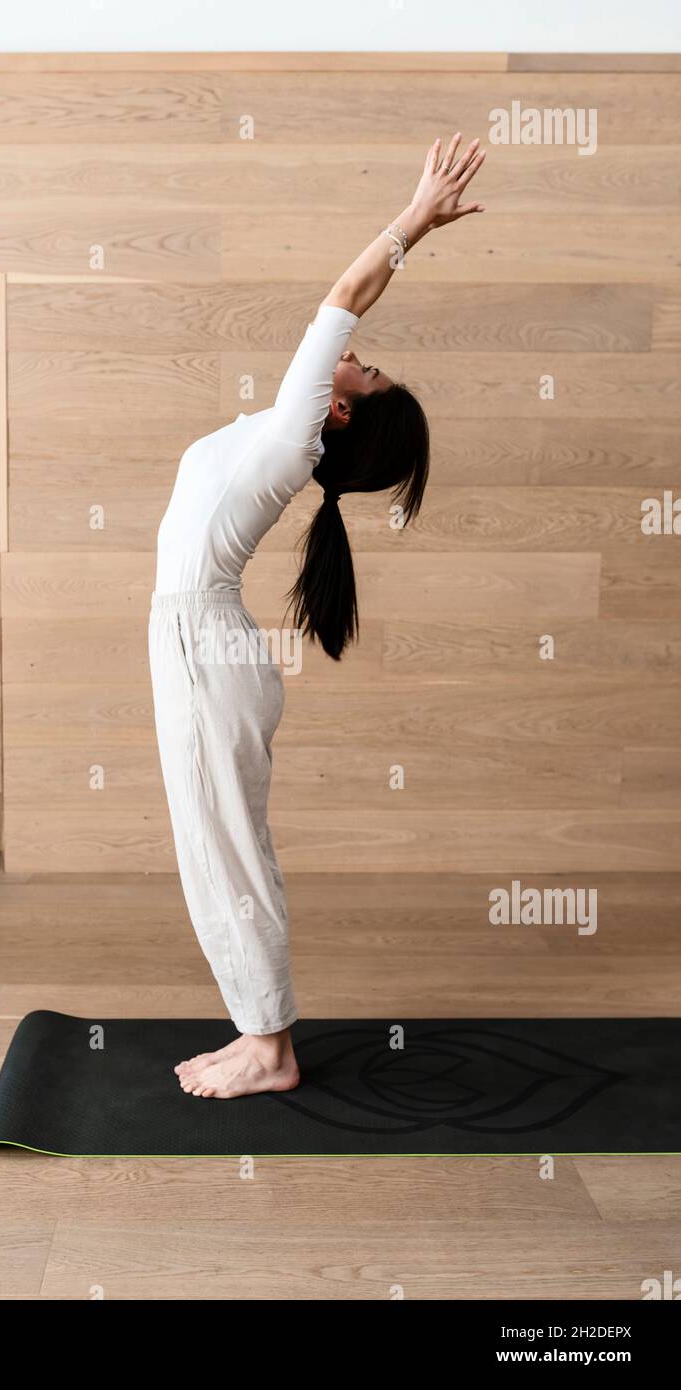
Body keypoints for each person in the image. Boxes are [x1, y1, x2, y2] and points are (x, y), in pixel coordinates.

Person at [148, 133, 487, 1099]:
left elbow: (342, 301)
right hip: (200, 645)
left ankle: (271, 1049)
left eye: (365, 373)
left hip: (201, 647)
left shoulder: (296, 435)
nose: (356, 360)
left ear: (341, 414)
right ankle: (259, 1031)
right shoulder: (284, 433)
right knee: (215, 847)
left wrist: (414, 219)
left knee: (226, 852)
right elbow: (340, 320)